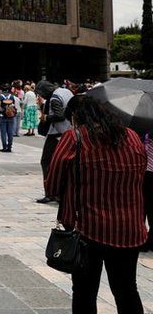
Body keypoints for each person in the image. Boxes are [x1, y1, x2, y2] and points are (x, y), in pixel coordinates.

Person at [45, 96, 147, 313]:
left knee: (84, 292)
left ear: (75, 117)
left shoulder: (75, 137)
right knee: (127, 289)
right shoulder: (132, 137)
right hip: (129, 229)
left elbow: (52, 186)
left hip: (88, 229)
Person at [35, 80, 73, 203]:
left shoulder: (54, 98)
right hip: (69, 131)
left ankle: (50, 192)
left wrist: (45, 117)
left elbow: (60, 115)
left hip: (57, 133)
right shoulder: (65, 91)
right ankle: (61, 192)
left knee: (46, 162)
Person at [0, 84, 18, 152]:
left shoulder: (0, 96)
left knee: (3, 132)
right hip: (11, 116)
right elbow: (14, 106)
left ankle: (4, 146)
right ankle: (9, 147)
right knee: (10, 132)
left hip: (2, 116)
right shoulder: (12, 96)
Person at [143, 132, 153, 251]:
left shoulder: (145, 134)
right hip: (147, 173)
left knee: (143, 208)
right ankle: (149, 241)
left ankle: (144, 241)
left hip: (145, 173)